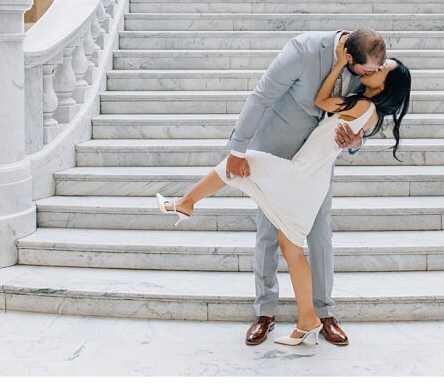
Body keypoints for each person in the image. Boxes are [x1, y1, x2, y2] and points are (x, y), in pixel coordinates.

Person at [155, 32, 411, 347]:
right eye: (370, 68)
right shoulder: (303, 50)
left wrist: (357, 142)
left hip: (312, 168)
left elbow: (364, 122)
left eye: (377, 70)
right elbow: (262, 96)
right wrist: (238, 147)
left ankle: (323, 313)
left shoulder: (365, 68)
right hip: (277, 148)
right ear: (350, 56)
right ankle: (269, 313)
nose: (370, 72)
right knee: (273, 236)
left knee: (318, 237)